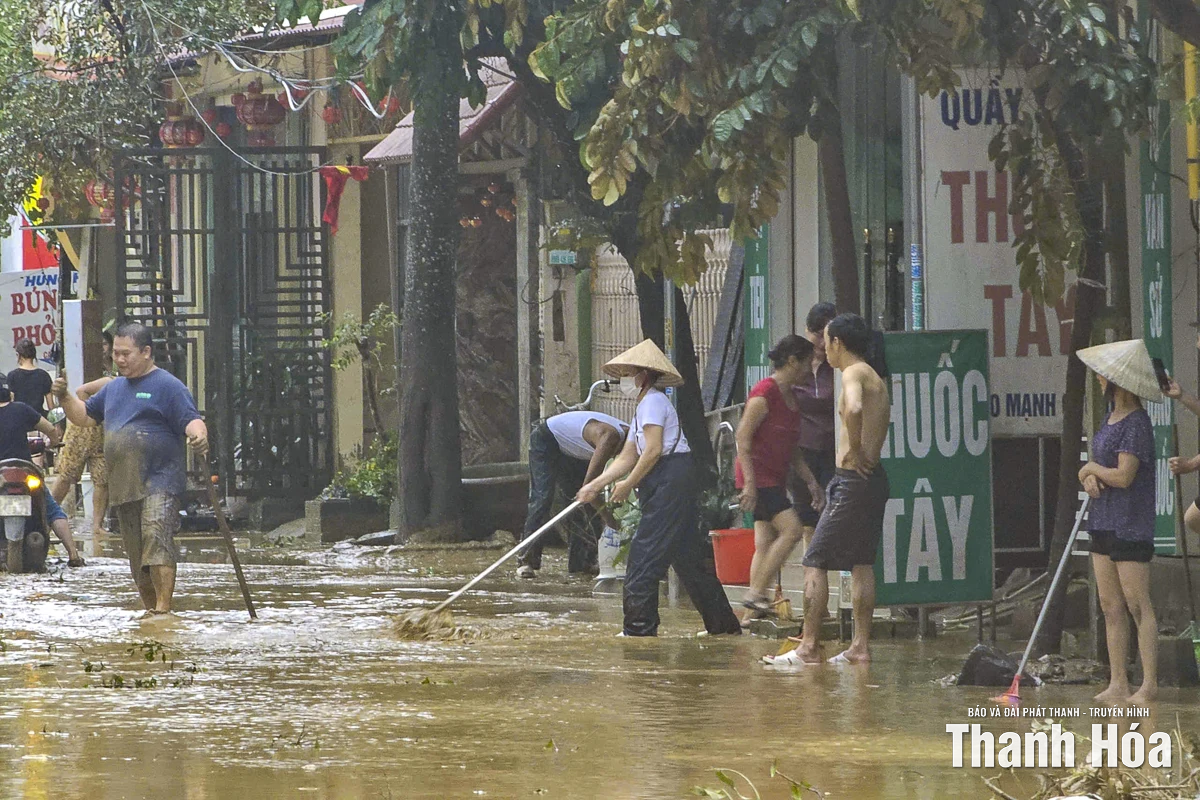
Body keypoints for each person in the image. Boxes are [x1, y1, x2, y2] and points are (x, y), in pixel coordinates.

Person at [577, 339, 741, 637]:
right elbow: (629, 455)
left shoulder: (653, 401)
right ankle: (724, 628)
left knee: (644, 558)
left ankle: (639, 631)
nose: (625, 380)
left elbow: (651, 451)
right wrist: (595, 485)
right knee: (688, 557)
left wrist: (628, 485)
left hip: (671, 479)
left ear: (643, 376)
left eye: (630, 373)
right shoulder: (642, 408)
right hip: (668, 480)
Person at [53, 323, 208, 616]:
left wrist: (199, 434)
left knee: (156, 534)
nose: (120, 360)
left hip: (160, 479)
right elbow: (84, 417)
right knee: (136, 553)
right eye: (116, 354)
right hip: (125, 484)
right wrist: (64, 397)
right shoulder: (113, 389)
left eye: (126, 354)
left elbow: (191, 419)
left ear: (146, 352)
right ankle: (150, 610)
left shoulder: (169, 386)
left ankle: (164, 610)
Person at [765, 314, 890, 666]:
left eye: (827, 341)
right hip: (872, 480)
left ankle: (808, 646)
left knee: (814, 560)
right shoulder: (873, 375)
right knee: (862, 562)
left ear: (838, 343)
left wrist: (854, 447)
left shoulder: (852, 373)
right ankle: (860, 647)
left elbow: (853, 407)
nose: (824, 349)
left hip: (853, 480)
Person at [1076, 339, 1160, 705]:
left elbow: (1124, 475)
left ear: (1118, 381)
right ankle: (1118, 681)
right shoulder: (1108, 420)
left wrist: (1093, 468)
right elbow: (1103, 470)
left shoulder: (1137, 424)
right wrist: (1089, 477)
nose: (1097, 380)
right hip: (1103, 519)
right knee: (1110, 605)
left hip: (1131, 523)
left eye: (1102, 375)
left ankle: (1149, 683)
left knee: (1136, 603)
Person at [736, 334, 825, 621]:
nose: (809, 371)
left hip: (774, 476)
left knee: (764, 542)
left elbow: (793, 449)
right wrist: (749, 484)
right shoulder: (765, 393)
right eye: (807, 364)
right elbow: (743, 439)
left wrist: (811, 482)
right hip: (757, 476)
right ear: (791, 361)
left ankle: (750, 617)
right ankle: (755, 595)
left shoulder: (792, 398)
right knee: (793, 530)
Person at [517, 410, 628, 579]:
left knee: (579, 505)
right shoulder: (609, 438)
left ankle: (582, 562)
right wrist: (612, 522)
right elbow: (590, 490)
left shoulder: (630, 439)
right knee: (543, 497)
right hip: (547, 439)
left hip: (573, 451)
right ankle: (526, 560)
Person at [0, 376, 85, 567]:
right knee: (53, 511)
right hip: (25, 472)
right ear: (10, 393)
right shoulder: (21, 409)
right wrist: (54, 442)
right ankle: (73, 555)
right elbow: (50, 430)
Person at [791, 302, 839, 567]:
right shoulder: (796, 363)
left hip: (833, 445)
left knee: (832, 509)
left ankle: (823, 561)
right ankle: (811, 563)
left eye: (827, 335)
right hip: (802, 447)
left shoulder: (838, 364)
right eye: (817, 335)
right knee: (807, 513)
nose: (822, 342)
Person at [52, 333, 114, 534]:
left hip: (104, 432)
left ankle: (97, 525)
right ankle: (47, 516)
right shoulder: (105, 378)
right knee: (67, 475)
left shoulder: (119, 374)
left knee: (102, 479)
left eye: (107, 344)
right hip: (83, 428)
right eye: (102, 344)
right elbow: (81, 392)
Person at [8, 338, 55, 418]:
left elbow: (10, 403)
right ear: (34, 355)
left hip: (20, 421)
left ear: (18, 355)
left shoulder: (12, 376)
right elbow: (51, 406)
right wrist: (56, 426)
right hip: (39, 421)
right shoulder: (44, 375)